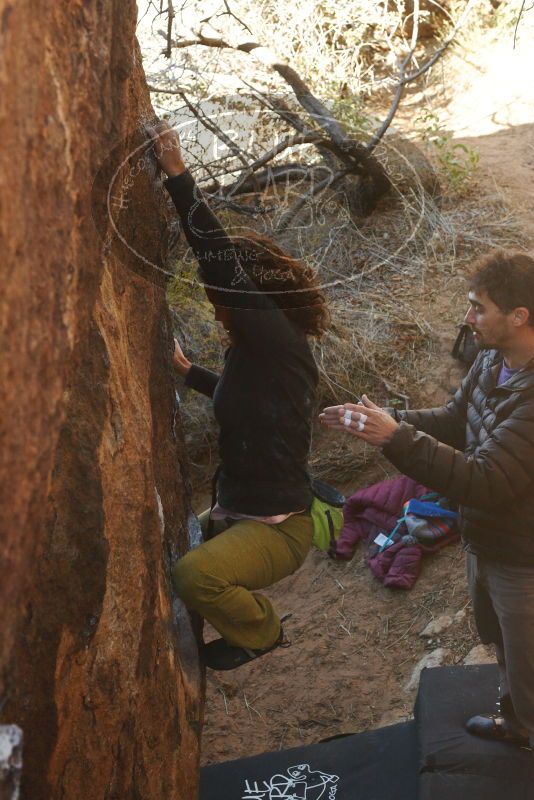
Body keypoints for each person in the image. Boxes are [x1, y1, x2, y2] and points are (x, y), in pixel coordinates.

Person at [320, 250, 534, 747]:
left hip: (523, 557)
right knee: (506, 646)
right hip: (489, 540)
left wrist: (395, 438)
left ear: (518, 316)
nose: (467, 318)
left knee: (527, 658)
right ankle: (519, 718)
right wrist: (389, 421)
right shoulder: (491, 359)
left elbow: (485, 479)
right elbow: (457, 420)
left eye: (478, 308)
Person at [148, 121, 329, 670]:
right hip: (238, 511)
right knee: (181, 556)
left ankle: (264, 630)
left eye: (219, 297)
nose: (214, 301)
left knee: (192, 574)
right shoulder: (253, 353)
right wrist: (194, 374)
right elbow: (248, 403)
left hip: (279, 527)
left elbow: (219, 262)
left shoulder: (275, 338)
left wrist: (180, 179)